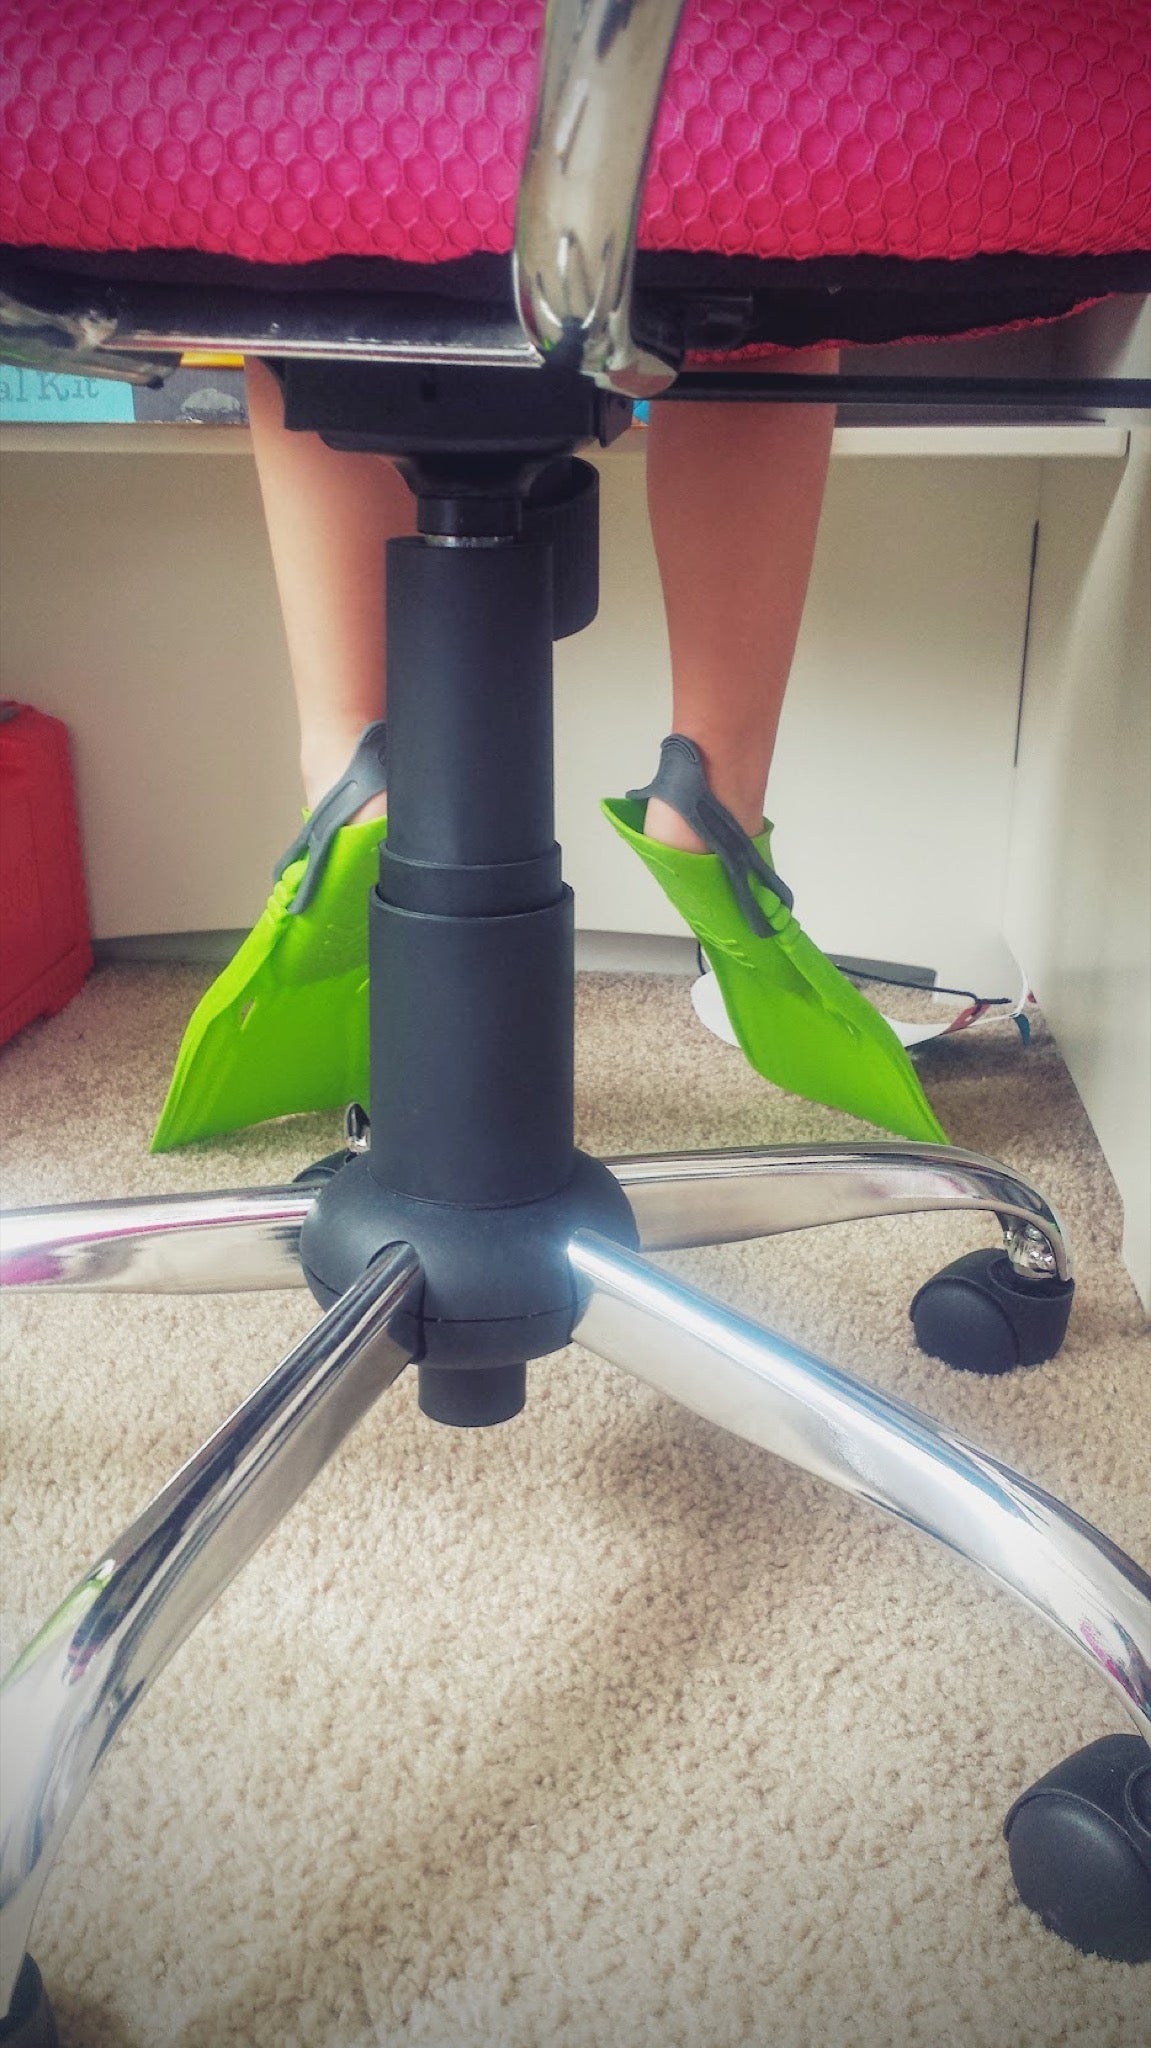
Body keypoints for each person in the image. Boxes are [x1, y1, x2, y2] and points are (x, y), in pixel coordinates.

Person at [150, 353, 945, 1152]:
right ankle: (711, 799)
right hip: (651, 239)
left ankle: (350, 780)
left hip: (340, 234)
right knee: (756, 278)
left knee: (308, 277)